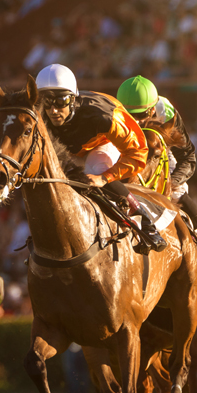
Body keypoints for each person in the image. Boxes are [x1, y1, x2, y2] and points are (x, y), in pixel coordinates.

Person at [35, 63, 166, 252]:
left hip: (103, 143)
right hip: (71, 150)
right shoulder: (39, 114)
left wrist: (103, 178)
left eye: (61, 101)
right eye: (46, 102)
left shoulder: (102, 115)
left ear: (73, 99)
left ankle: (145, 220)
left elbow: (138, 152)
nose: (53, 110)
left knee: (92, 171)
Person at [116, 75, 197, 272]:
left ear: (152, 110)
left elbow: (188, 156)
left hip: (159, 152)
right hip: (126, 153)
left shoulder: (166, 112)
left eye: (141, 115)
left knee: (177, 193)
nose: (136, 121)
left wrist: (171, 182)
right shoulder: (114, 112)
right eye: (130, 115)